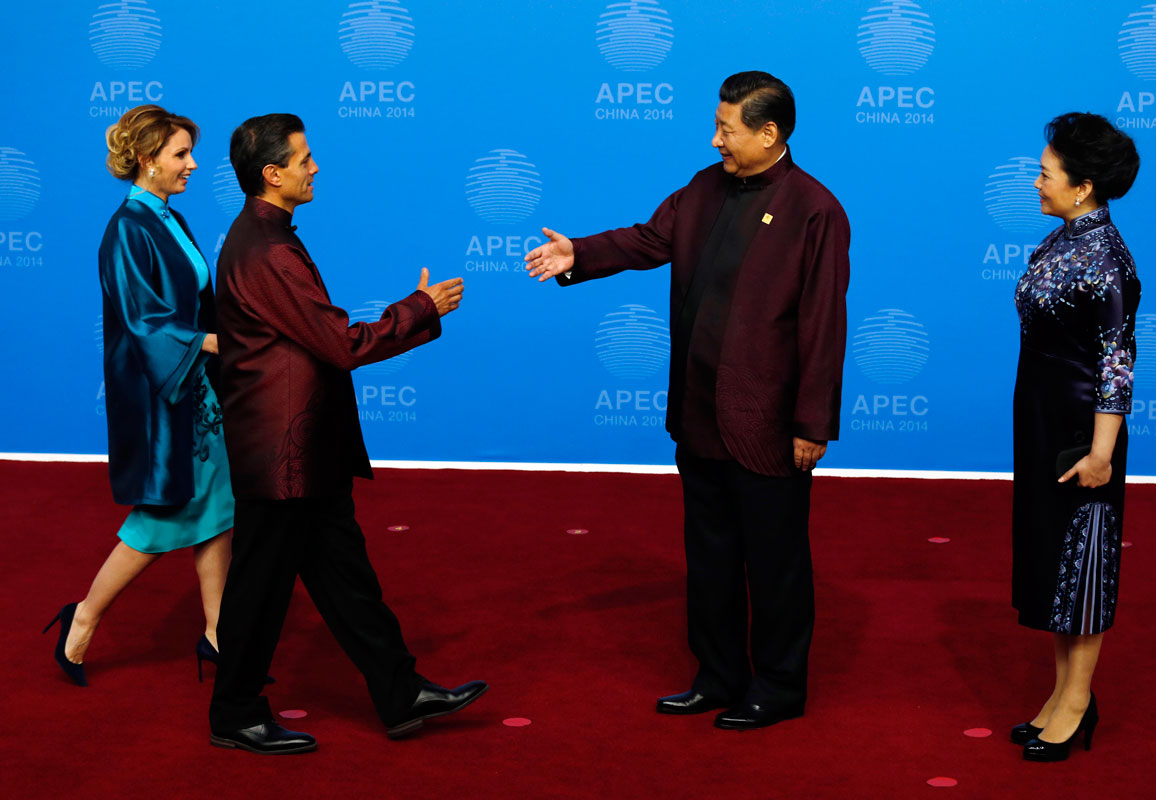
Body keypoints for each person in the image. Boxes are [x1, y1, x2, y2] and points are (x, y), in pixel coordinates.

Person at [525, 71, 850, 731]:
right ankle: (718, 676)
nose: (715, 140)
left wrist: (812, 423)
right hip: (698, 413)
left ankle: (779, 687)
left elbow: (823, 326)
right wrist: (577, 254)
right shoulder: (703, 188)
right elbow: (648, 239)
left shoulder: (816, 210)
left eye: (726, 129)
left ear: (769, 133)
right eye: (717, 126)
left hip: (769, 423)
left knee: (777, 565)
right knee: (709, 559)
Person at [208, 113, 485, 755]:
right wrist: (419, 309)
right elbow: (340, 344)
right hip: (283, 458)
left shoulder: (266, 238)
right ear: (272, 174)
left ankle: (400, 691)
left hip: (304, 453)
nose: (315, 167)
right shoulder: (269, 250)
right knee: (258, 590)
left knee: (347, 581)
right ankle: (234, 714)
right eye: (303, 158)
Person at [43, 105, 235, 687]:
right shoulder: (128, 228)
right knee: (158, 520)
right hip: (163, 395)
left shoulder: (169, 218)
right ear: (148, 160)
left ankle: (219, 636)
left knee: (218, 509)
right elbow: (144, 322)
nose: (193, 164)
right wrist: (213, 342)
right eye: (181, 154)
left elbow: (198, 299)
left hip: (196, 389)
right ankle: (82, 619)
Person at [1010, 112, 1140, 762]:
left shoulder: (1109, 260)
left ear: (1083, 186)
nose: (1036, 183)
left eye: (1046, 173)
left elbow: (1117, 362)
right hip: (1040, 422)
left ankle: (1078, 701)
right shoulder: (1062, 239)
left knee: (1083, 569)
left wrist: (1101, 454)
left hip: (1082, 436)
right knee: (1052, 564)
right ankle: (1061, 695)